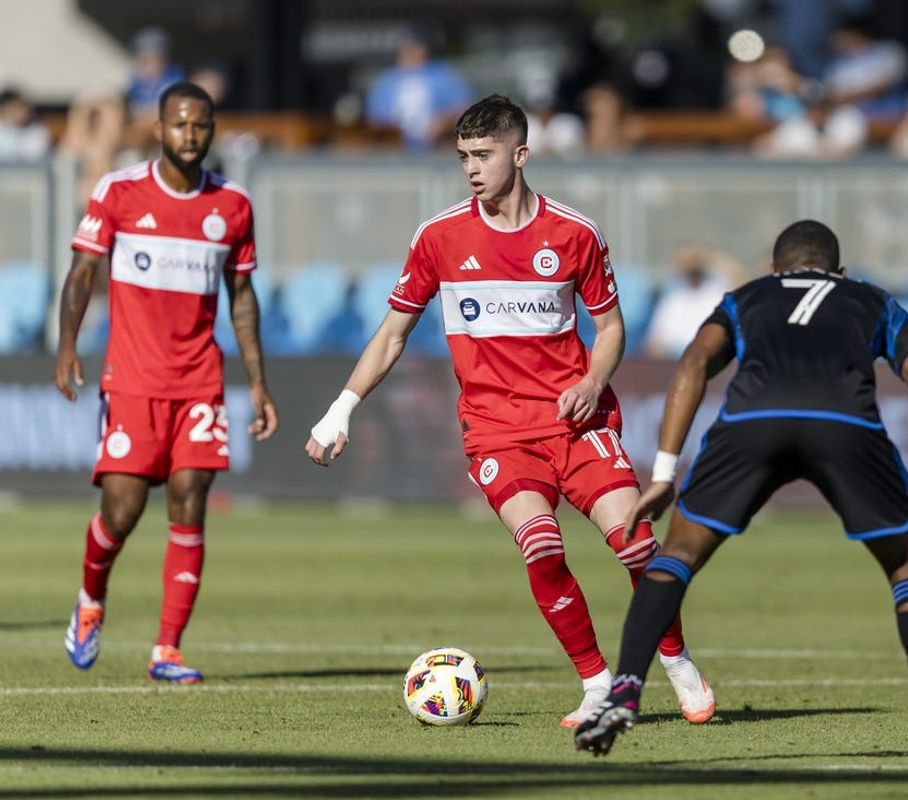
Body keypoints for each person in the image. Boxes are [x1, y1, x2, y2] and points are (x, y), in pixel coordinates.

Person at [305, 94, 714, 728]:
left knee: (635, 546)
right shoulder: (439, 237)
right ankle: (598, 685)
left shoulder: (574, 234)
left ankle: (676, 658)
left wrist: (593, 379)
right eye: (463, 156)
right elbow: (392, 335)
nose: (471, 168)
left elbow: (610, 329)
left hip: (579, 423)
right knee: (541, 547)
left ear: (519, 155)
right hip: (497, 430)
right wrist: (342, 409)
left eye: (483, 155)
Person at [574, 220, 908, 763]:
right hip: (846, 426)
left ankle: (625, 689)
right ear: (840, 273)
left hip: (754, 422)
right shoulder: (870, 299)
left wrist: (665, 474)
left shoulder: (748, 296)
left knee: (675, 556)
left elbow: (695, 362)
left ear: (775, 270)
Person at [56, 82, 278, 683]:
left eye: (200, 126)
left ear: (211, 130)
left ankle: (167, 649)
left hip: (200, 382)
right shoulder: (119, 191)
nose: (190, 136)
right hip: (131, 379)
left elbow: (243, 297)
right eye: (179, 125)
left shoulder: (232, 205)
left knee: (190, 501)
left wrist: (257, 383)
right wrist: (68, 347)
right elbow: (82, 271)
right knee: (122, 511)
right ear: (159, 129)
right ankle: (91, 598)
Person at [363, 28, 472, 151]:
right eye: (405, 48)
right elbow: (374, 119)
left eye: (415, 47)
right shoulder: (386, 80)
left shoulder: (443, 74)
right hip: (395, 150)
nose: (409, 52)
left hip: (437, 147)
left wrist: (443, 122)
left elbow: (464, 109)